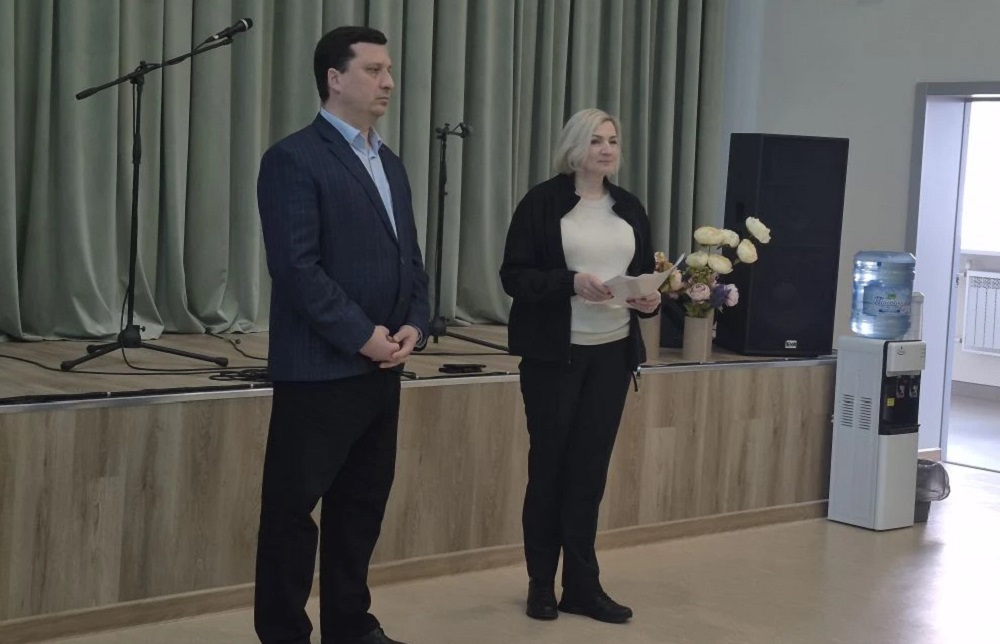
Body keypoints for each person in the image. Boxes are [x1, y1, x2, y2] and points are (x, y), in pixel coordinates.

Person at [254, 26, 429, 644]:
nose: (388, 82)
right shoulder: (294, 158)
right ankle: (284, 634)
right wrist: (362, 335)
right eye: (374, 70)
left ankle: (350, 626)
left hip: (382, 368)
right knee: (292, 515)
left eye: (389, 70)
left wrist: (415, 324)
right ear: (334, 78)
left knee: (361, 508)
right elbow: (297, 269)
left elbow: (410, 260)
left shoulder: (390, 162)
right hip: (320, 370)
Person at [499, 108, 661, 624]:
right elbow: (514, 276)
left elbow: (642, 272)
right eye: (595, 140)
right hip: (555, 356)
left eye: (612, 140)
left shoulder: (629, 206)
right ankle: (541, 584)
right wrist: (569, 282)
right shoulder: (542, 203)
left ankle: (583, 587)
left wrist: (650, 300)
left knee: (589, 472)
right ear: (574, 147)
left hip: (613, 354)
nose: (607, 149)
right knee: (550, 468)